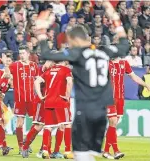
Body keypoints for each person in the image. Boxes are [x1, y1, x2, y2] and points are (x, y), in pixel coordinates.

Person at [35, 1, 130, 160]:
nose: (70, 45)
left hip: (85, 111)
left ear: (76, 39)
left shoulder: (76, 54)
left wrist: (41, 31)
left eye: (70, 41)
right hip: (101, 112)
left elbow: (46, 54)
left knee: (82, 154)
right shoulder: (104, 52)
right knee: (89, 153)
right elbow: (124, 45)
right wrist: (115, 18)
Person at [103, 57, 150, 159]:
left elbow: (134, 77)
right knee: (113, 121)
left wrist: (146, 84)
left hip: (120, 98)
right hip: (109, 97)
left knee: (113, 125)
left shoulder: (124, 63)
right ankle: (116, 151)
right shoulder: (107, 63)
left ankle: (106, 151)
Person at [31, 61, 73, 159]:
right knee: (67, 124)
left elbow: (36, 81)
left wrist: (41, 96)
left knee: (48, 126)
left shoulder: (49, 70)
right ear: (63, 61)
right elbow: (70, 82)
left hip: (48, 101)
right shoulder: (66, 70)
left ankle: (45, 151)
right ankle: (67, 151)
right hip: (60, 101)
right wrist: (67, 95)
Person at [7, 45, 39, 154]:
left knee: (37, 123)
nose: (21, 55)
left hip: (32, 99)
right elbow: (6, 74)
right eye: (20, 53)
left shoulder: (34, 65)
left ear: (28, 54)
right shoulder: (15, 65)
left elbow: (38, 80)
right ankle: (21, 147)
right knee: (19, 123)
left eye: (23, 53)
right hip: (20, 99)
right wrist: (5, 65)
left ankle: (26, 142)